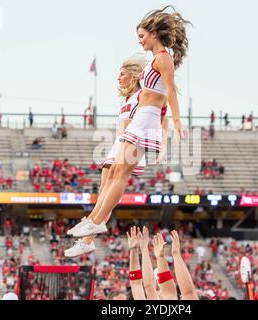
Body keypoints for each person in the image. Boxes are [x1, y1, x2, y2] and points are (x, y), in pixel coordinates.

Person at [68, 6, 189, 242]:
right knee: (114, 172)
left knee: (121, 174)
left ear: (154, 34)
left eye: (142, 36)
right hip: (140, 119)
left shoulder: (164, 58)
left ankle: (96, 222)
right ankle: (93, 219)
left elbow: (171, 91)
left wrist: (176, 121)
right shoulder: (156, 59)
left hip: (147, 120)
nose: (140, 41)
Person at [65, 57, 150, 257]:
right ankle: (88, 238)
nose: (118, 78)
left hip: (132, 141)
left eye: (122, 73)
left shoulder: (143, 96)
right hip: (120, 142)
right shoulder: (127, 99)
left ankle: (92, 224)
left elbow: (157, 116)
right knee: (104, 190)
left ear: (134, 75)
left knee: (113, 186)